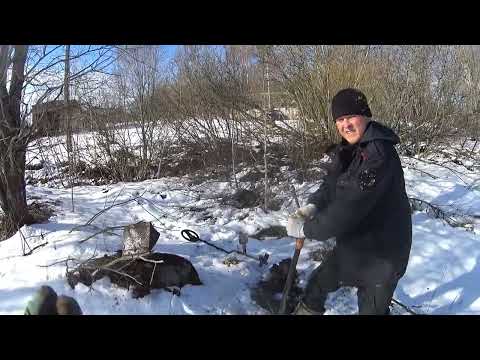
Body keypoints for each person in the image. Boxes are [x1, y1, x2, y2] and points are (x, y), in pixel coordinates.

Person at [287, 88, 412, 315]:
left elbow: (349, 208)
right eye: (340, 119)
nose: (346, 125)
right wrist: (312, 206)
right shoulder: (350, 150)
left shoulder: (377, 156)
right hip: (356, 247)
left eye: (350, 117)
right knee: (317, 285)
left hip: (383, 257)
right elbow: (331, 184)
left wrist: (307, 229)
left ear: (366, 116)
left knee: (371, 309)